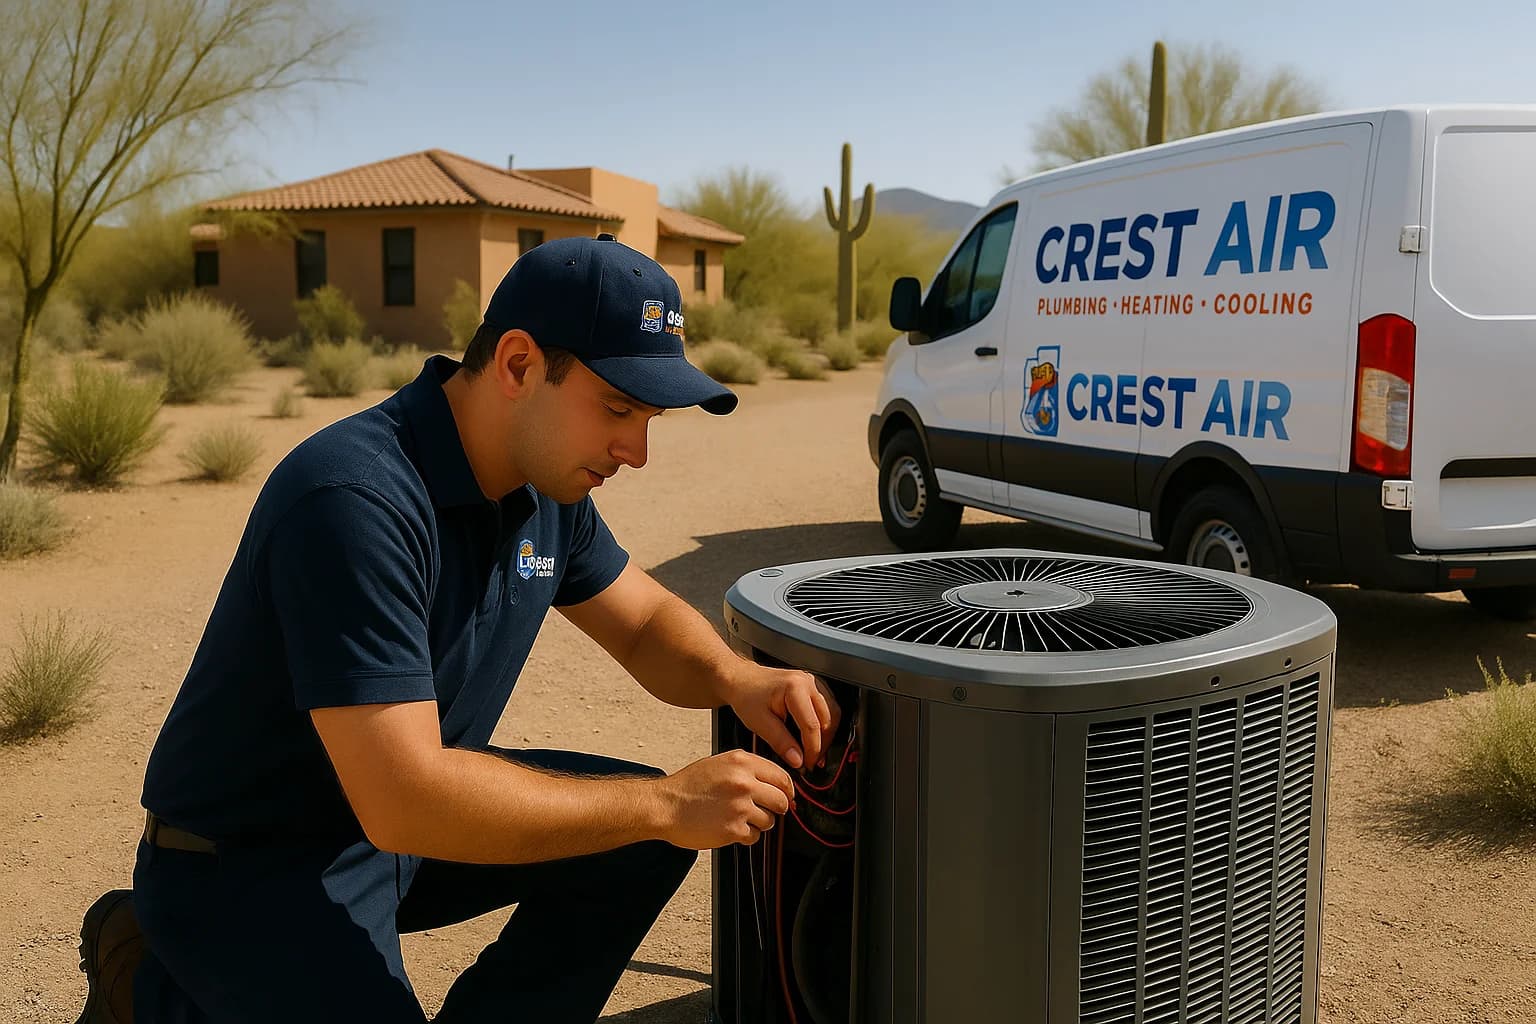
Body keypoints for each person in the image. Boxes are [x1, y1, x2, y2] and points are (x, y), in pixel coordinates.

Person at [74, 234, 840, 1024]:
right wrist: (666, 803)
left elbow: (643, 624)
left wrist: (736, 678)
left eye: (648, 418)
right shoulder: (353, 500)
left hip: (397, 824)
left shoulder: (549, 491)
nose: (636, 451)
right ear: (516, 364)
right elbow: (404, 796)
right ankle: (149, 983)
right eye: (617, 408)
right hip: (252, 864)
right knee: (654, 813)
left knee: (643, 840)